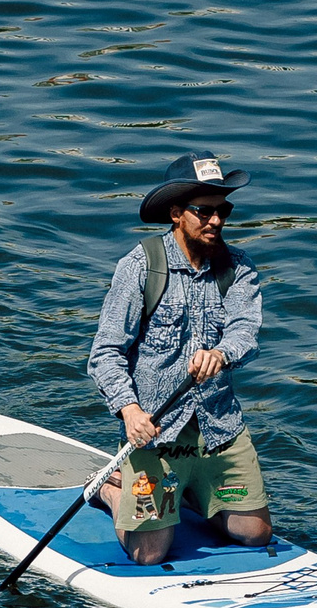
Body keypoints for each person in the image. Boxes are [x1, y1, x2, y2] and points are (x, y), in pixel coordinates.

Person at [88, 151, 274, 565]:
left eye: (222, 210)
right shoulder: (139, 267)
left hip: (219, 426)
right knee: (149, 555)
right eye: (203, 212)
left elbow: (246, 330)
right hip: (154, 433)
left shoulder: (238, 268)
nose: (216, 221)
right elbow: (105, 353)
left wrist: (223, 353)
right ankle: (110, 487)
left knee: (255, 533)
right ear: (175, 213)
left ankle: (191, 492)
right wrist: (130, 411)